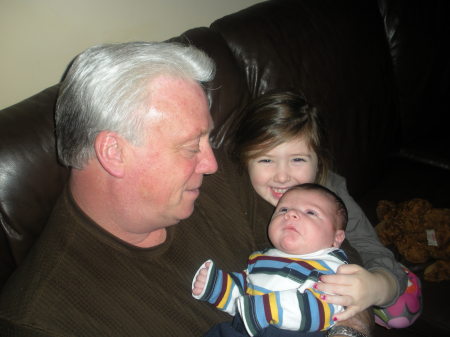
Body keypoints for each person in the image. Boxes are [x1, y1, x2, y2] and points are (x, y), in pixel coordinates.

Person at [229, 90, 422, 328]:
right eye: (265, 160)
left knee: (398, 314)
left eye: (298, 159)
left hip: (350, 269)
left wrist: (378, 285)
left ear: (318, 160)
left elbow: (368, 245)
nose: (281, 176)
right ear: (244, 159)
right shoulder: (237, 192)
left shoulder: (330, 189)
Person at [192, 183, 350, 336]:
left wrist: (266, 308)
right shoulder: (261, 260)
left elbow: (328, 306)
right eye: (283, 209)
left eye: (311, 212)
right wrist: (217, 285)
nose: (290, 214)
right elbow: (244, 300)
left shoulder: (333, 265)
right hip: (250, 327)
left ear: (336, 238)